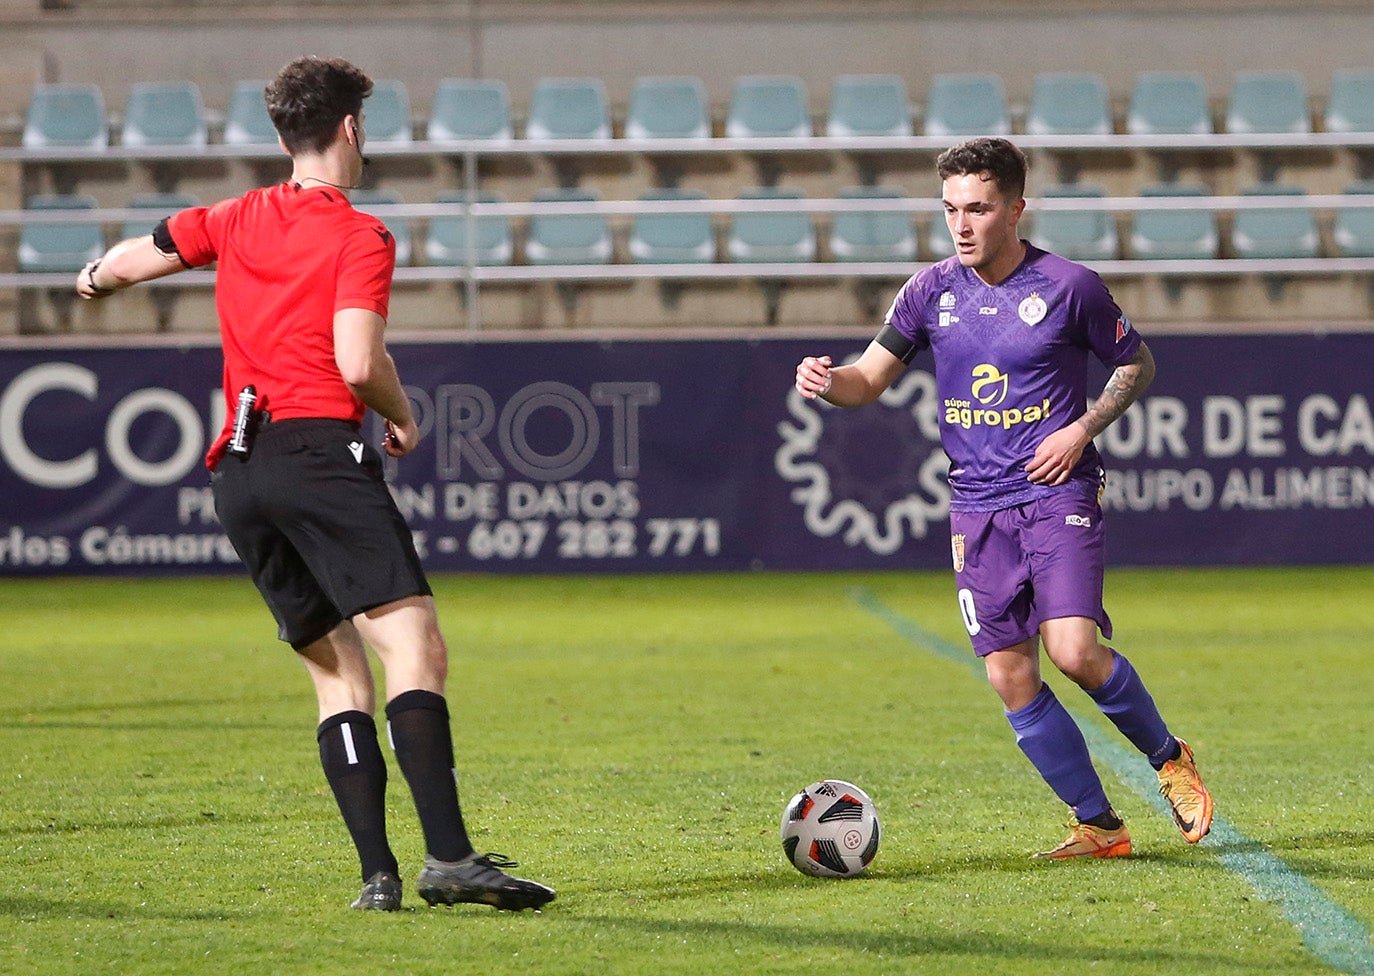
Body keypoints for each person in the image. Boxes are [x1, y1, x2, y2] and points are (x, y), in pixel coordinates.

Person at [76, 56, 555, 911]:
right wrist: (404, 414)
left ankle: (378, 878)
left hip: (240, 473)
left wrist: (93, 277)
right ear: (350, 129)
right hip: (315, 456)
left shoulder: (233, 217)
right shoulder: (359, 234)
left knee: (338, 677)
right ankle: (448, 857)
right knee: (415, 649)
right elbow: (357, 362)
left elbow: (129, 258)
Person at [794, 137, 1212, 859]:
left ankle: (1169, 757)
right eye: (952, 208)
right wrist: (830, 384)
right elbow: (867, 379)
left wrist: (1079, 429)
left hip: (1055, 490)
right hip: (975, 506)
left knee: (1074, 650)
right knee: (1009, 674)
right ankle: (1100, 828)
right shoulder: (929, 291)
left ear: (1015, 208)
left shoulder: (1070, 286)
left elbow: (1135, 362)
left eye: (979, 208)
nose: (962, 224)